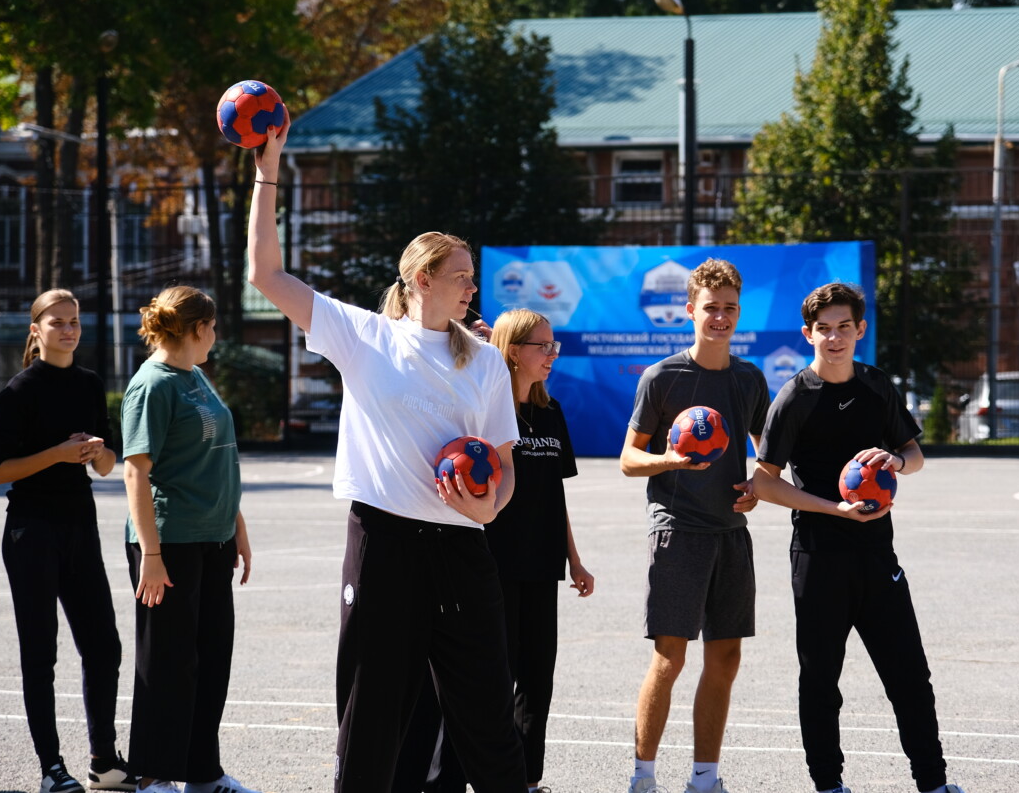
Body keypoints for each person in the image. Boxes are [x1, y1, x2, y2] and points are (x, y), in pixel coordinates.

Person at [246, 120, 525, 793]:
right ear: (423, 278)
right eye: (460, 277)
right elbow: (266, 273)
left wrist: (490, 501)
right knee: (371, 715)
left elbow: (506, 463)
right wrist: (268, 171)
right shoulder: (364, 336)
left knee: (488, 716)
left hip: (462, 550)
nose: (472, 289)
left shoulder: (485, 361)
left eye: (473, 279)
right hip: (385, 545)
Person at [620, 260, 879, 793]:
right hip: (677, 531)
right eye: (710, 308)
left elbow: (768, 458)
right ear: (689, 310)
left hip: (730, 534)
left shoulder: (748, 379)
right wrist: (669, 460)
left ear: (739, 313)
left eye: (730, 308)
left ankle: (704, 778)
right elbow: (627, 458)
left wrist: (755, 491)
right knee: (670, 658)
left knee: (727, 656)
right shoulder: (662, 377)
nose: (720, 317)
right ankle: (643, 778)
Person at [755, 282, 964, 793]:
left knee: (910, 678)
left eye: (843, 327)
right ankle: (829, 786)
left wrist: (896, 460)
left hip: (877, 555)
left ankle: (934, 785)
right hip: (819, 557)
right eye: (823, 329)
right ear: (808, 335)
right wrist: (835, 509)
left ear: (860, 330)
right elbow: (763, 481)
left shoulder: (875, 386)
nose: (834, 337)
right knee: (821, 682)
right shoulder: (794, 398)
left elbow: (914, 456)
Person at [395, 309, 596, 793]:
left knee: (536, 679)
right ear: (512, 351)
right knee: (483, 681)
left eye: (554, 346)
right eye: (541, 346)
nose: (552, 355)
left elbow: (555, 494)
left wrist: (574, 558)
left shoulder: (551, 411)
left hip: (542, 563)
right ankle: (445, 780)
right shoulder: (486, 410)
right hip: (493, 563)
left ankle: (524, 779)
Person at [0, 289, 136, 793]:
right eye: (57, 322)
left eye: (74, 321)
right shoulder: (19, 391)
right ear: (37, 330)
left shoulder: (91, 385)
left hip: (79, 527)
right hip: (31, 531)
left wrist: (96, 453)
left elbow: (109, 463)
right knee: (40, 653)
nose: (69, 329)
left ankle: (103, 760)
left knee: (104, 646)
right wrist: (58, 453)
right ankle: (51, 767)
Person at [120, 286, 255, 793]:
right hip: (169, 543)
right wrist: (151, 555)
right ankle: (154, 776)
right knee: (168, 664)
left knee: (211, 658)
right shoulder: (153, 385)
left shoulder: (194, 376)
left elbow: (217, 456)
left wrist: (236, 526)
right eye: (213, 327)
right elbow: (136, 472)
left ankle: (202, 773)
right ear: (197, 329)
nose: (215, 336)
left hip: (213, 538)